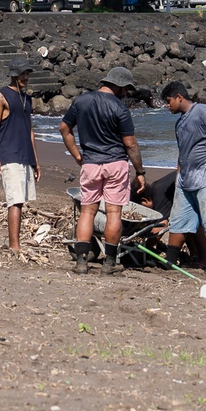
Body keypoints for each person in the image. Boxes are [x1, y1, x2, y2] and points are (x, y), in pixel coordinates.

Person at [59, 66, 145, 275]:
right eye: (126, 89)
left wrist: (77, 156)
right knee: (114, 212)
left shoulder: (81, 101)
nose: (126, 93)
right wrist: (140, 171)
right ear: (120, 86)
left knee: (87, 211)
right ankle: (109, 263)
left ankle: (81, 262)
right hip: (115, 163)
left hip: (90, 163)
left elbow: (64, 128)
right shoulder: (120, 108)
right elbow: (131, 144)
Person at [160, 81, 206, 271]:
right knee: (179, 220)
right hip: (185, 180)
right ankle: (170, 261)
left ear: (179, 97)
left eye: (168, 101)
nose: (167, 105)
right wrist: (178, 177)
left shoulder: (204, 112)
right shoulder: (179, 122)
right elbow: (182, 153)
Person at [0, 56, 40, 252]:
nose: (25, 77)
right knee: (15, 201)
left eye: (27, 73)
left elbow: (30, 130)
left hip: (25, 155)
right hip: (9, 155)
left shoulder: (27, 99)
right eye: (22, 73)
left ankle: (15, 244)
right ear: (13, 75)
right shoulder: (0, 97)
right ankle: (14, 246)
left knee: (22, 201)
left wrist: (35, 161)